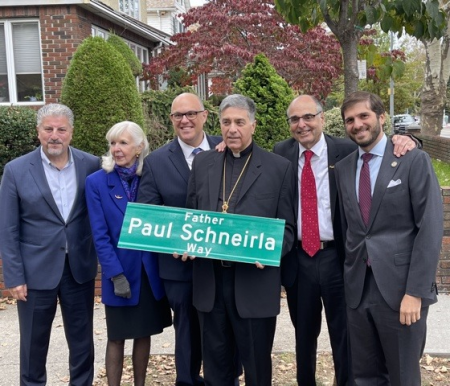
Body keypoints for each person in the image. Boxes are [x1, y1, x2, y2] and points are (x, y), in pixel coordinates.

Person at [273, 95, 419, 385]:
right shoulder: (281, 153)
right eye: (294, 119)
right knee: (303, 337)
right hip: (299, 260)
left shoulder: (345, 148)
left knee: (347, 336)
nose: (302, 125)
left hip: (339, 259)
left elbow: (380, 148)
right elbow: (253, 163)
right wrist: (223, 145)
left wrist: (410, 141)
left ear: (322, 119)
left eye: (308, 117)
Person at [181, 94, 296, 386]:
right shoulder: (204, 163)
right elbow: (191, 217)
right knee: (216, 368)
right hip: (211, 282)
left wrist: (269, 250)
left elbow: (288, 229)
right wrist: (185, 243)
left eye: (239, 122)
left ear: (253, 126)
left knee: (257, 368)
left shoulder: (278, 168)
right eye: (226, 122)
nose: (232, 129)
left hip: (253, 283)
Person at [336, 91, 442, 385]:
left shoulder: (412, 160)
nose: (357, 124)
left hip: (401, 293)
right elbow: (351, 229)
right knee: (364, 377)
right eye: (350, 120)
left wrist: (416, 292)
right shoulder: (344, 169)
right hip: (358, 291)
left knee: (403, 376)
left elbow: (429, 229)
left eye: (364, 116)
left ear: (381, 118)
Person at [0, 103, 100, 385]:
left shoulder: (91, 165)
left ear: (71, 132)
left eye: (61, 129)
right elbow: (8, 228)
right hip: (34, 275)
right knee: (33, 346)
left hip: (78, 270)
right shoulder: (16, 170)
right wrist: (14, 276)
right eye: (48, 129)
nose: (54, 135)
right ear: (38, 132)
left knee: (82, 345)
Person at [137, 92, 223, 386]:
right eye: (177, 116)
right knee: (186, 328)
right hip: (178, 266)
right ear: (171, 120)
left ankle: (224, 378)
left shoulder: (228, 149)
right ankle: (186, 380)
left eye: (190, 114)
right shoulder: (157, 161)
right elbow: (149, 214)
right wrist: (178, 240)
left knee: (221, 326)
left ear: (204, 116)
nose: (184, 120)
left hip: (221, 262)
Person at [85, 121, 172, 386]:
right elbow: (99, 235)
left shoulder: (150, 176)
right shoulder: (97, 182)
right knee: (117, 336)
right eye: (112, 143)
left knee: (143, 333)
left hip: (149, 272)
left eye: (123, 143)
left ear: (139, 147)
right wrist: (114, 274)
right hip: (119, 273)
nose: (116, 149)